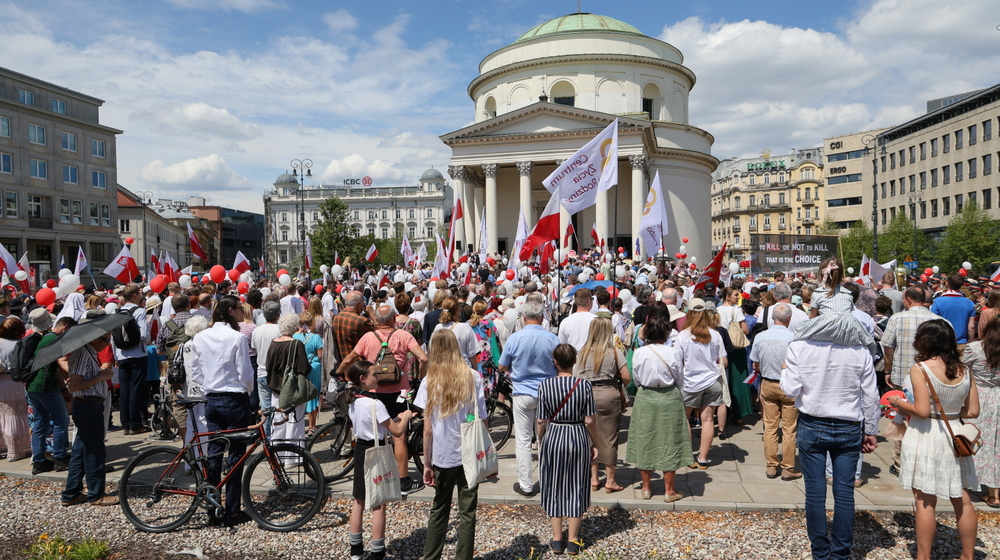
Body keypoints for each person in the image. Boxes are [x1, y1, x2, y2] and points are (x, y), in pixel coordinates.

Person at [780, 307, 880, 560]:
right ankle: (840, 553)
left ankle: (820, 553)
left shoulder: (799, 347)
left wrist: (785, 371)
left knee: (815, 493)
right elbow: (870, 395)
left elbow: (791, 390)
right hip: (848, 425)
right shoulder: (860, 352)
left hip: (813, 423)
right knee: (844, 492)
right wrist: (871, 430)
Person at [890, 319, 979, 560]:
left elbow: (920, 410)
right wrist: (950, 412)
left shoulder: (920, 369)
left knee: (925, 499)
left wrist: (898, 403)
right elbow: (972, 411)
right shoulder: (965, 370)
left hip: (926, 433)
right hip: (954, 432)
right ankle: (968, 555)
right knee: (961, 497)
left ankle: (924, 556)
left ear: (924, 341)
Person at [339, 304, 428, 495]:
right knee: (400, 435)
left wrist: (338, 371)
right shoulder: (404, 335)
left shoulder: (368, 337)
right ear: (394, 319)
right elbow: (424, 358)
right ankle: (404, 481)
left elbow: (351, 357)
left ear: (377, 320)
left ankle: (378, 474)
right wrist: (419, 379)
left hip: (375, 390)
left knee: (377, 433)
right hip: (403, 390)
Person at [415, 330, 487, 560]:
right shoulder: (473, 376)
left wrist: (426, 464)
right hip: (469, 451)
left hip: (443, 452)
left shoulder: (429, 381)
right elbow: (482, 417)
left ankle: (431, 556)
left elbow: (427, 429)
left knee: (439, 508)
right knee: (468, 511)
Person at [187, 294, 255, 526]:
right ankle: (232, 511)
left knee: (214, 453)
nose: (241, 313)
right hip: (234, 398)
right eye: (238, 308)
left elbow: (195, 372)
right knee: (236, 456)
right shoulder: (236, 338)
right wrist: (246, 392)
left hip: (212, 399)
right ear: (230, 311)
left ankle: (212, 507)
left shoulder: (201, 337)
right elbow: (246, 374)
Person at [346, 360, 413, 560]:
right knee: (378, 503)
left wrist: (396, 419)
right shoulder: (376, 404)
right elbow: (397, 432)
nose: (378, 378)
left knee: (358, 500)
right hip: (376, 451)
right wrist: (406, 417)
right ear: (362, 378)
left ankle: (355, 550)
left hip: (360, 450)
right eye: (374, 374)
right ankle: (377, 551)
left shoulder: (354, 401)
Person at [537, 344, 599, 555]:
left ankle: (556, 540)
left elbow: (540, 420)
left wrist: (540, 439)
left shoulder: (544, 386)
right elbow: (590, 420)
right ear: (575, 361)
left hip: (554, 436)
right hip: (577, 436)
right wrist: (595, 443)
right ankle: (572, 540)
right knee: (576, 485)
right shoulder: (584, 386)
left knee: (553, 485)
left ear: (555, 361)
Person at [498, 301, 559, 497]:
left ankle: (526, 484)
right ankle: (548, 481)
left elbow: (502, 366)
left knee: (523, 440)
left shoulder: (515, 338)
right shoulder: (552, 339)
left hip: (522, 392)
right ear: (542, 318)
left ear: (524, 318)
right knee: (545, 439)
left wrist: (515, 370)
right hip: (546, 392)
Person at [626, 316, 689, 501]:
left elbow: (636, 378)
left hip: (646, 396)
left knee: (644, 438)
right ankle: (669, 490)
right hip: (669, 396)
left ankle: (646, 488)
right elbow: (680, 378)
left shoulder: (639, 352)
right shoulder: (673, 352)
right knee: (671, 440)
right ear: (665, 333)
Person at [881, 287, 942, 475]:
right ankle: (925, 460)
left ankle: (901, 462)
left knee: (902, 419)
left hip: (904, 376)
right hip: (933, 377)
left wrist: (888, 368)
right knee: (930, 418)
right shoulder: (940, 321)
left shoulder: (897, 318)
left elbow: (887, 345)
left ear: (908, 299)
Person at [60, 313, 118, 506]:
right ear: (94, 338)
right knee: (94, 450)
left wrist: (100, 375)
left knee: (80, 450)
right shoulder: (84, 353)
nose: (107, 343)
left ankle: (72, 492)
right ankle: (96, 494)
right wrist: (100, 378)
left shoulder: (87, 352)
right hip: (88, 405)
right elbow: (74, 385)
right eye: (105, 339)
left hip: (89, 404)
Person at [573, 318, 629, 493]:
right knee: (610, 438)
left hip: (585, 395)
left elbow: (576, 376)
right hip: (608, 394)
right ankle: (610, 480)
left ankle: (594, 478)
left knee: (590, 436)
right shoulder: (614, 352)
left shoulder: (582, 352)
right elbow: (627, 378)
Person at [749, 304, 800, 480]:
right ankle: (788, 467)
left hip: (769, 383)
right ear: (789, 319)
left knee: (770, 427)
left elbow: (755, 364)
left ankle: (771, 465)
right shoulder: (794, 338)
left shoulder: (761, 337)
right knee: (789, 429)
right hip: (789, 385)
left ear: (772, 318)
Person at [676, 300, 726, 469]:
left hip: (690, 382)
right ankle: (703, 458)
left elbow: (677, 362)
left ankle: (689, 457)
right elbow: (723, 361)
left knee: (685, 419)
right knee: (708, 420)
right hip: (712, 381)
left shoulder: (683, 335)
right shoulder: (715, 334)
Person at [26, 312, 74, 474]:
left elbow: (53, 368)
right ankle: (60, 457)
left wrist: (63, 389)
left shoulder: (44, 337)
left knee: (40, 423)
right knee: (61, 420)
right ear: (65, 328)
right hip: (46, 386)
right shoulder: (54, 339)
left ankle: (39, 461)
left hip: (34, 385)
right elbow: (59, 367)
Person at [965, 315, 1000, 506]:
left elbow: (962, 370)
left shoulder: (975, 348)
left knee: (977, 441)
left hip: (979, 398)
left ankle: (979, 486)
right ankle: (995, 492)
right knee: (997, 446)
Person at [114, 284, 151, 435]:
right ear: (135, 296)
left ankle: (125, 424)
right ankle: (135, 424)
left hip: (122, 355)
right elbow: (144, 335)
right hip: (137, 355)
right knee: (136, 390)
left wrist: (116, 354)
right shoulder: (139, 311)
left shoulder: (117, 311)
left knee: (125, 390)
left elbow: (113, 337)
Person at [716, 286, 753, 424]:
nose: (738, 297)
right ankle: (738, 414)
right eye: (736, 295)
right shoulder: (736, 310)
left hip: (722, 347)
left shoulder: (717, 310)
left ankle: (724, 411)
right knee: (738, 381)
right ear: (728, 296)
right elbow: (745, 330)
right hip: (736, 348)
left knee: (724, 380)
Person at [0, 318, 32, 462]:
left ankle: (3, 446)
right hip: (15, 383)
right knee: (15, 415)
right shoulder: (20, 345)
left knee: (3, 415)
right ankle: (15, 450)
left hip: (1, 381)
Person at [250, 301, 281, 438]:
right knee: (278, 409)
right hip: (276, 375)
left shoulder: (257, 330)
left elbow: (256, 350)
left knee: (266, 409)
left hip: (262, 373)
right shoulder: (280, 330)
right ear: (278, 315)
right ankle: (276, 438)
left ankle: (268, 439)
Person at [931, 274, 977, 356]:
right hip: (962, 343)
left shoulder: (937, 301)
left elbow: (934, 325)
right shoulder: (969, 303)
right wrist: (970, 343)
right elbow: (971, 327)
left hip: (943, 343)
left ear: (947, 284)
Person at [293, 311, 324, 434]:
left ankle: (298, 426)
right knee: (313, 397)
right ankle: (312, 426)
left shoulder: (294, 337)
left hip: (299, 368)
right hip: (314, 368)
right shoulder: (316, 338)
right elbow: (320, 355)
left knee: (300, 395)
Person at [432, 297, 480, 368]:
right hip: (463, 369)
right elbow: (472, 353)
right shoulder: (465, 327)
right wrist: (475, 370)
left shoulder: (438, 328)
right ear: (457, 310)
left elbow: (432, 350)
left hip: (443, 368)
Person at [332, 291, 374, 364]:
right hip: (360, 366)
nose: (364, 304)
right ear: (358, 303)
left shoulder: (336, 317)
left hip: (344, 364)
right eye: (363, 302)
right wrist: (372, 313)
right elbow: (380, 334)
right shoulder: (361, 321)